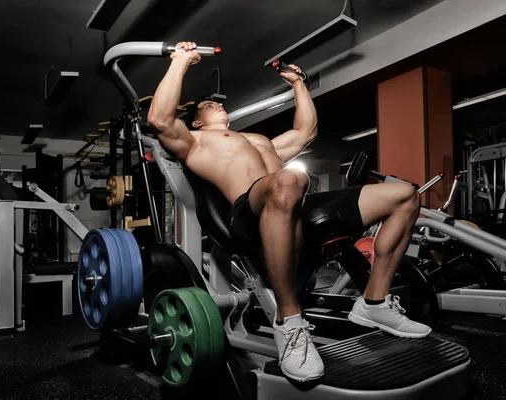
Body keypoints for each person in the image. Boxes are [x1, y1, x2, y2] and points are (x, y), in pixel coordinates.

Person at [147, 41, 431, 383]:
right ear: (195, 122)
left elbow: (304, 131)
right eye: (207, 105)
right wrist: (180, 61)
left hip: (293, 200)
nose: (217, 105)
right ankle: (289, 320)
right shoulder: (196, 144)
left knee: (405, 194)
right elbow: (159, 119)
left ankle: (374, 303)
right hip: (249, 212)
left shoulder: (258, 139)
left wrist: (299, 85)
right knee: (288, 180)